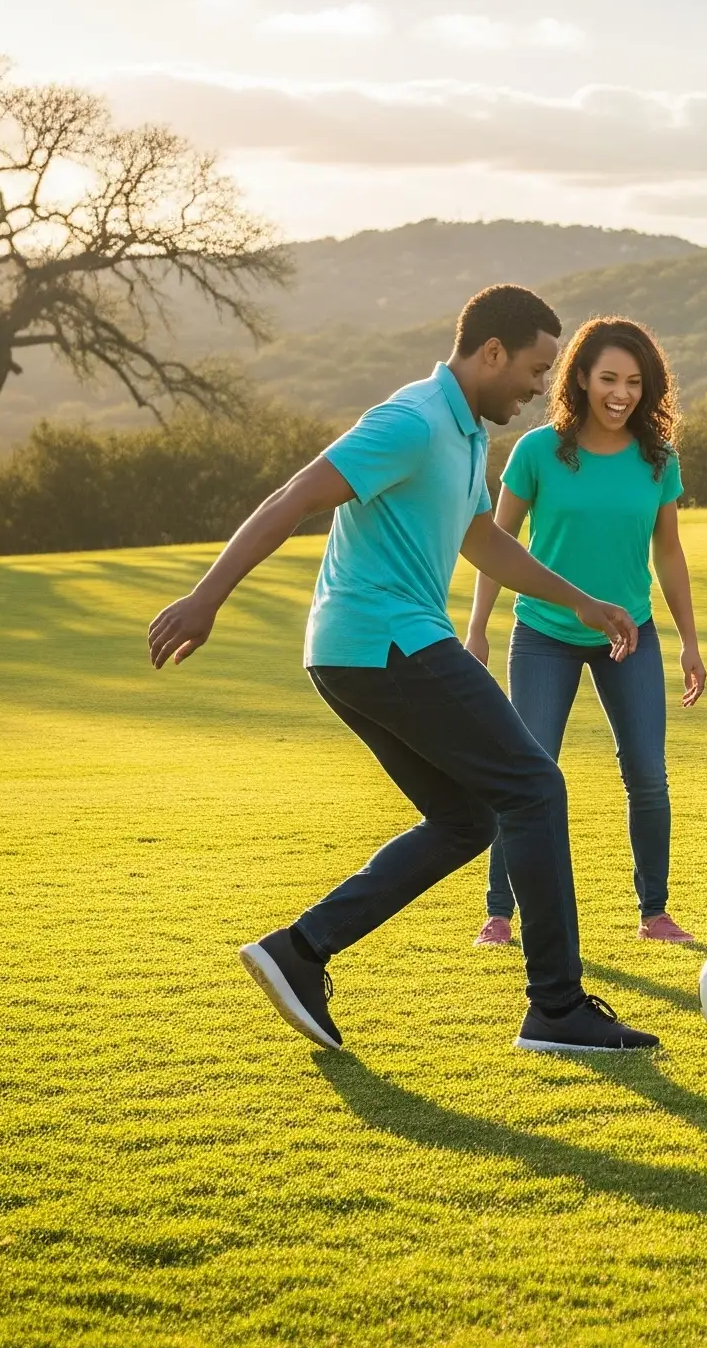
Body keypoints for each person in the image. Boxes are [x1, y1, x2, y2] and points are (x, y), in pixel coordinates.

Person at [146, 283, 660, 1057]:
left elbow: (482, 539)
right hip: (385, 639)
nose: (537, 386)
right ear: (491, 352)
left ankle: (301, 950)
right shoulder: (413, 420)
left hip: (367, 649)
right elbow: (296, 495)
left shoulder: (462, 435)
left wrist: (581, 600)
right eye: (534, 367)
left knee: (469, 816)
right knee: (533, 783)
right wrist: (206, 597)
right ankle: (556, 1007)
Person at [465, 317, 702, 948]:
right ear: (581, 379)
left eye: (633, 381)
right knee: (528, 771)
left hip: (632, 634)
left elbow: (670, 555)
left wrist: (691, 644)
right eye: (608, 379)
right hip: (544, 633)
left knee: (647, 773)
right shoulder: (539, 451)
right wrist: (478, 629)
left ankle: (654, 911)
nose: (620, 393)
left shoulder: (659, 461)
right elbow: (496, 542)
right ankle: (499, 911)